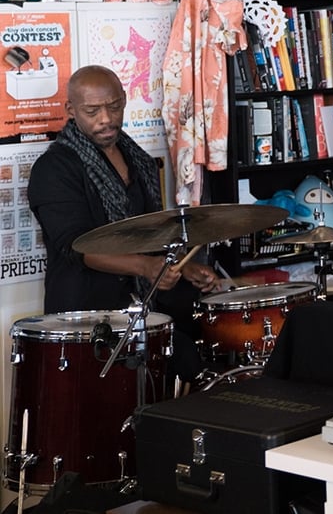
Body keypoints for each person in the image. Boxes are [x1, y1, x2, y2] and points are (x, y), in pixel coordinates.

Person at [28, 65, 219, 379]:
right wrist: (145, 267)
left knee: (189, 363)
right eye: (92, 110)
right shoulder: (53, 169)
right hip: (87, 322)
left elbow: (150, 235)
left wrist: (182, 268)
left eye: (114, 107)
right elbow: (75, 246)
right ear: (71, 110)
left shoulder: (139, 159)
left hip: (144, 313)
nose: (106, 118)